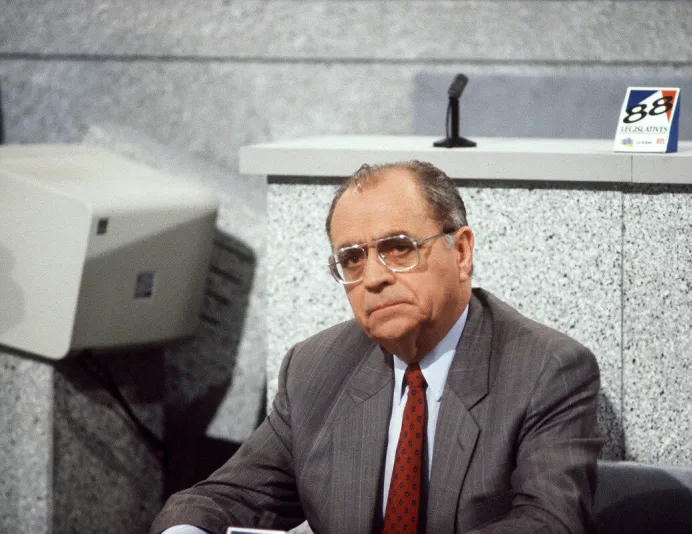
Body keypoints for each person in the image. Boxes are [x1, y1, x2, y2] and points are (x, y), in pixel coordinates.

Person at [151, 161, 602, 534]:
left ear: (462, 252)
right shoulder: (315, 368)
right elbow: (228, 497)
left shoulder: (546, 369)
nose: (373, 278)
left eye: (398, 248)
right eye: (352, 258)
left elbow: (550, 522)